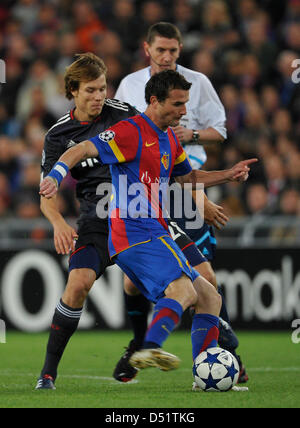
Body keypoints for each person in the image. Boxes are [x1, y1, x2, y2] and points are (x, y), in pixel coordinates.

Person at [40, 70, 257, 378]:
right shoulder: (130, 131)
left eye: (185, 104)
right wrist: (57, 174)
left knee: (210, 296)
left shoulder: (169, 137)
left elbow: (186, 178)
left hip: (157, 229)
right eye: (178, 104)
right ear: (155, 101)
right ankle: (148, 345)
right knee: (183, 289)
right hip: (132, 232)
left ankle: (204, 374)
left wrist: (228, 174)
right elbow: (82, 148)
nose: (184, 111)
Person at [113, 22, 248, 383]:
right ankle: (141, 343)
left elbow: (219, 131)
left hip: (186, 185)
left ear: (180, 49)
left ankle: (221, 353)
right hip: (147, 194)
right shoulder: (129, 85)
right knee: (137, 284)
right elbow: (123, 140)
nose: (168, 57)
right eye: (161, 50)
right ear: (148, 50)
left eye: (173, 51)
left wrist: (192, 136)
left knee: (204, 279)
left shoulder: (197, 83)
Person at [35, 52, 140, 390]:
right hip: (96, 220)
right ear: (73, 92)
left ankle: (139, 349)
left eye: (102, 89)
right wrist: (58, 222)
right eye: (91, 91)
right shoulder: (57, 135)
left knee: (146, 283)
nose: (99, 97)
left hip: (136, 215)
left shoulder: (123, 114)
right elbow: (47, 192)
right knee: (78, 284)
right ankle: (48, 373)